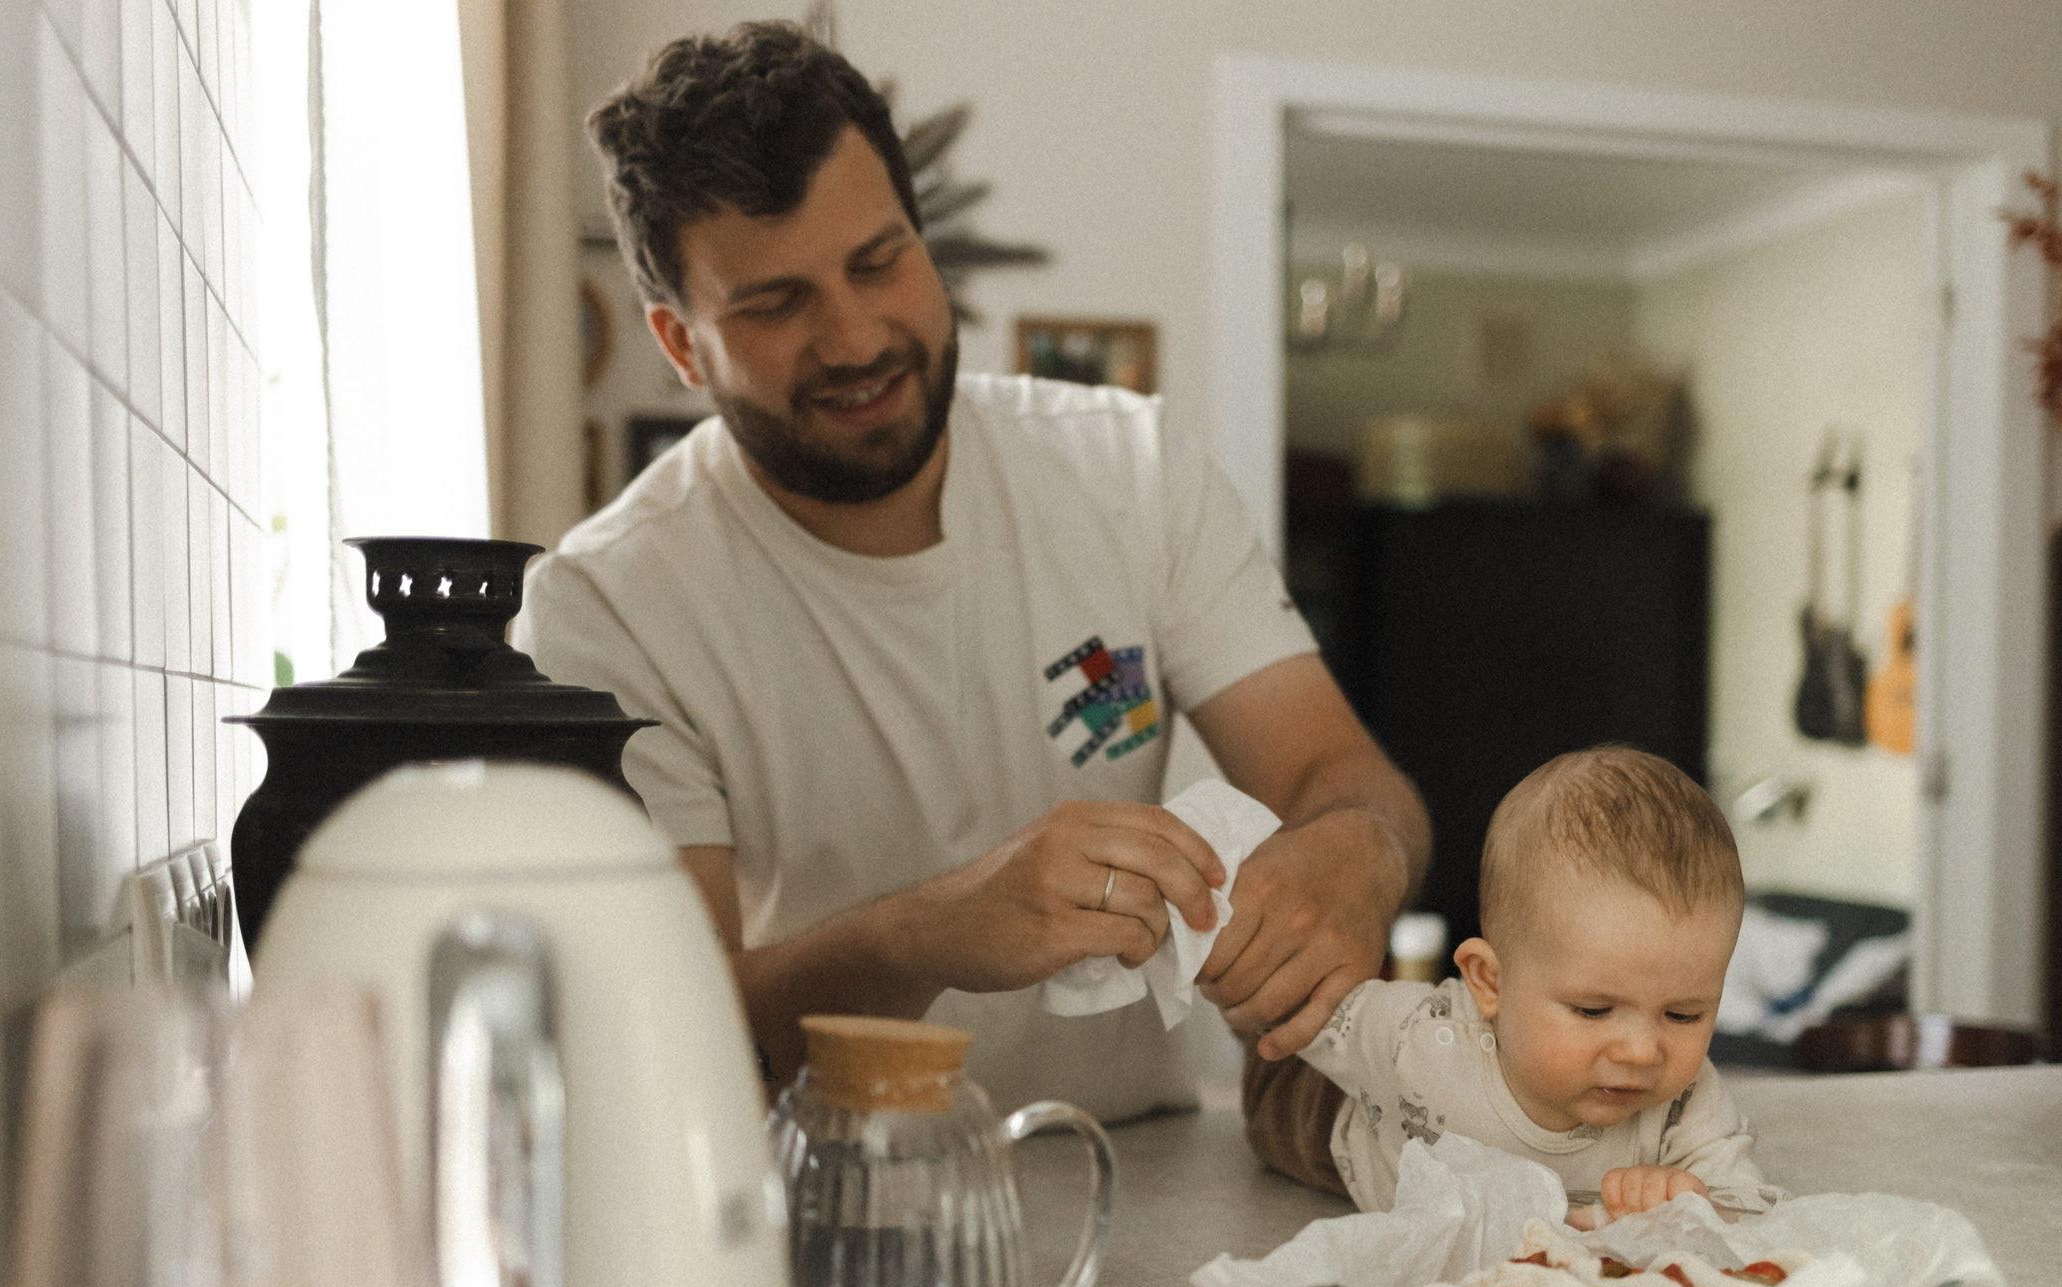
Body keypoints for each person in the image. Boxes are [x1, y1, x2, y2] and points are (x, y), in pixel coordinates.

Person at [519, 23, 1428, 1118]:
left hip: (1147, 1166)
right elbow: (672, 1019)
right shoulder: (608, 606)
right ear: (679, 344)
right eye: (775, 304)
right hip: (831, 1191)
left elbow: (1342, 776)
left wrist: (1358, 855)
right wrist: (931, 933)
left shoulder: (1129, 469)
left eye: (879, 261)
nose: (854, 337)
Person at [1243, 745, 1783, 1221]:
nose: (1642, 1052)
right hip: (1343, 1121)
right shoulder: (1423, 1036)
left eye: (1683, 1014)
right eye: (1594, 1010)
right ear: (1489, 982)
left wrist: (1689, 1197)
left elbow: (1752, 1210)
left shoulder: (1686, 1104)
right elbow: (1311, 1007)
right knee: (1281, 1064)